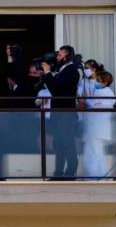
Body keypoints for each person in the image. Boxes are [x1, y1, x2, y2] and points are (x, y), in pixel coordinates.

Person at [41, 45, 80, 177]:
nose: (57, 57)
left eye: (60, 54)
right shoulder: (62, 70)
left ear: (67, 56)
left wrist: (47, 73)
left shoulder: (72, 71)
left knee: (67, 142)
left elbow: (57, 90)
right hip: (58, 113)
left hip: (66, 113)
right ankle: (58, 172)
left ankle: (71, 171)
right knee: (58, 143)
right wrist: (50, 74)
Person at [82, 71, 116, 177]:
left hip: (98, 127)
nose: (96, 83)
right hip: (94, 127)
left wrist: (86, 101)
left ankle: (95, 176)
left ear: (105, 82)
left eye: (98, 81)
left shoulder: (107, 92)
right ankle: (97, 175)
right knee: (95, 152)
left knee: (94, 153)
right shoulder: (100, 91)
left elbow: (100, 106)